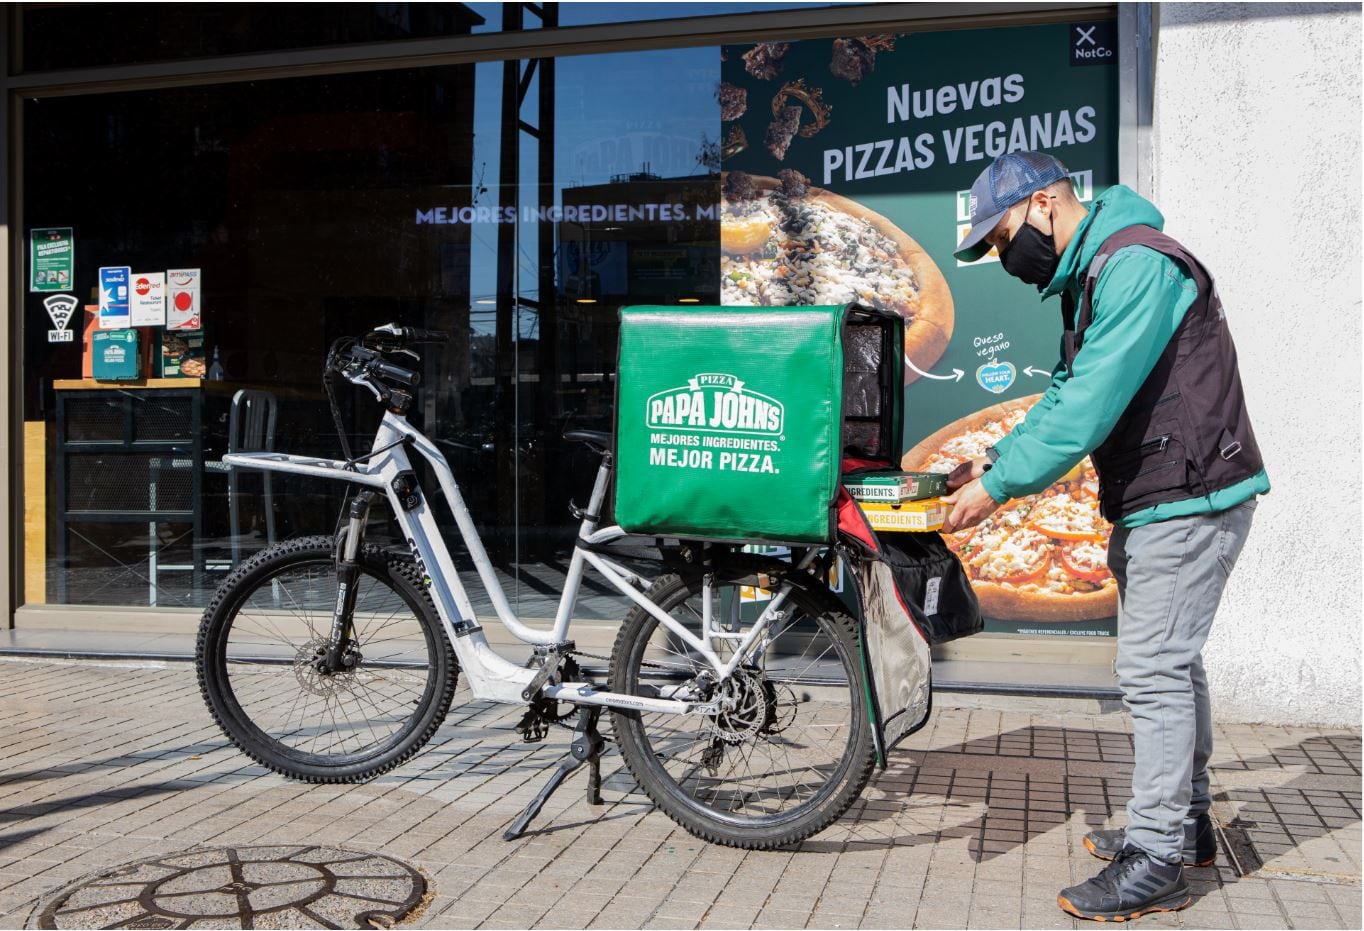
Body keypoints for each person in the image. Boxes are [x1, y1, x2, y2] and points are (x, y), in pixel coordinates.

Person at [944, 151, 1270, 922]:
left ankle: (1155, 861)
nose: (1001, 256)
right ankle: (1185, 823)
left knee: (1152, 670)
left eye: (1002, 236)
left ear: (1048, 203)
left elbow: (1090, 401)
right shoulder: (1098, 276)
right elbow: (1068, 389)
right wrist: (991, 458)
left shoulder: (1135, 268)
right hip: (1161, 496)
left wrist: (999, 488)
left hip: (1191, 497)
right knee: (1173, 665)